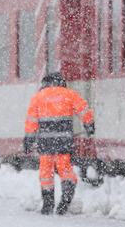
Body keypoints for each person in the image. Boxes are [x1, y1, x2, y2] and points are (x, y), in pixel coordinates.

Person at [24, 72, 96, 215]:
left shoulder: (38, 97)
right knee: (65, 169)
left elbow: (31, 121)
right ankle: (66, 199)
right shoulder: (69, 94)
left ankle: (48, 203)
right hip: (64, 141)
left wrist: (28, 139)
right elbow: (83, 109)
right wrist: (89, 124)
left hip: (46, 143)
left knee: (46, 172)